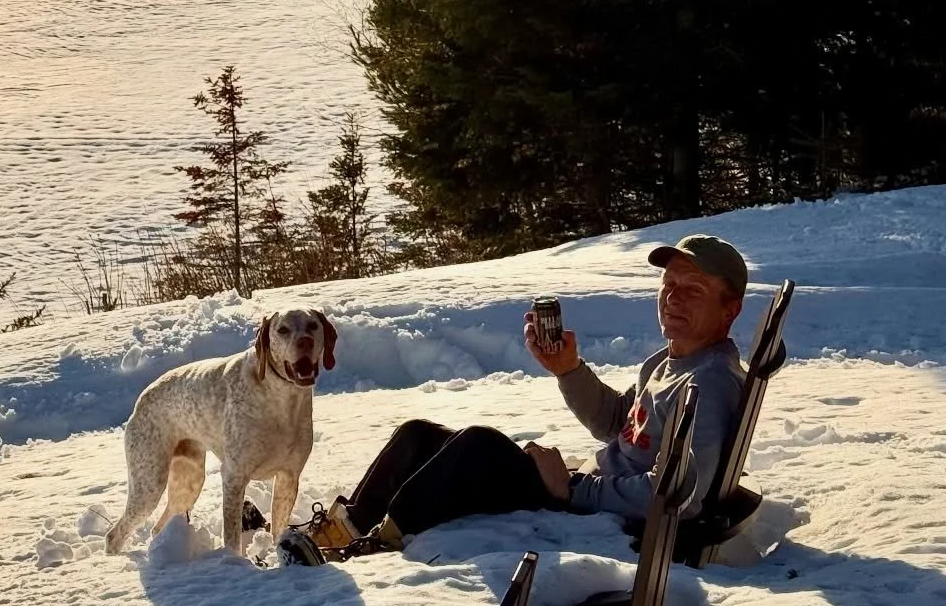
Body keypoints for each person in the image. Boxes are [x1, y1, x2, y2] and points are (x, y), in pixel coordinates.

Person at [283, 233, 748, 562]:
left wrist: (573, 489)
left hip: (610, 520)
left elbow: (680, 496)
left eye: (693, 290)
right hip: (588, 496)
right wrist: (568, 369)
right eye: (668, 286)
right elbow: (616, 422)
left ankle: (374, 543)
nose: (673, 298)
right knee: (419, 436)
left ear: (730, 309)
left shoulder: (707, 384)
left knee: (479, 446)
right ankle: (345, 526)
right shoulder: (667, 363)